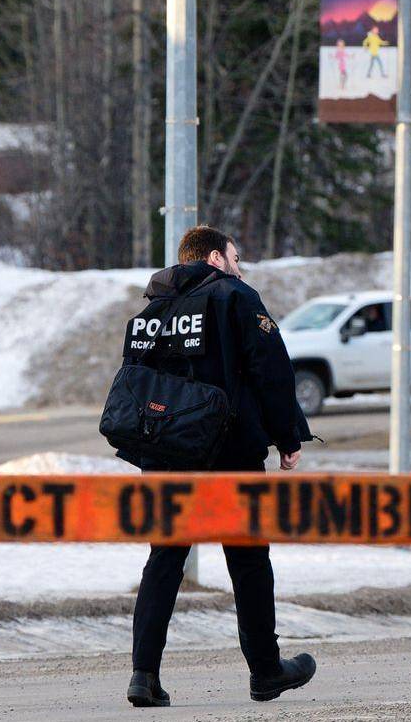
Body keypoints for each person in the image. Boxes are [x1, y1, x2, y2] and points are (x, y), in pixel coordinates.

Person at [122, 225, 318, 708]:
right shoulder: (235, 297)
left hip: (166, 455)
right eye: (235, 256)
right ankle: (265, 671)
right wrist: (288, 435)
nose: (239, 265)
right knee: (249, 560)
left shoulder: (151, 310)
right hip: (230, 453)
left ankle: (143, 676)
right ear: (215, 258)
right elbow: (271, 370)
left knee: (165, 558)